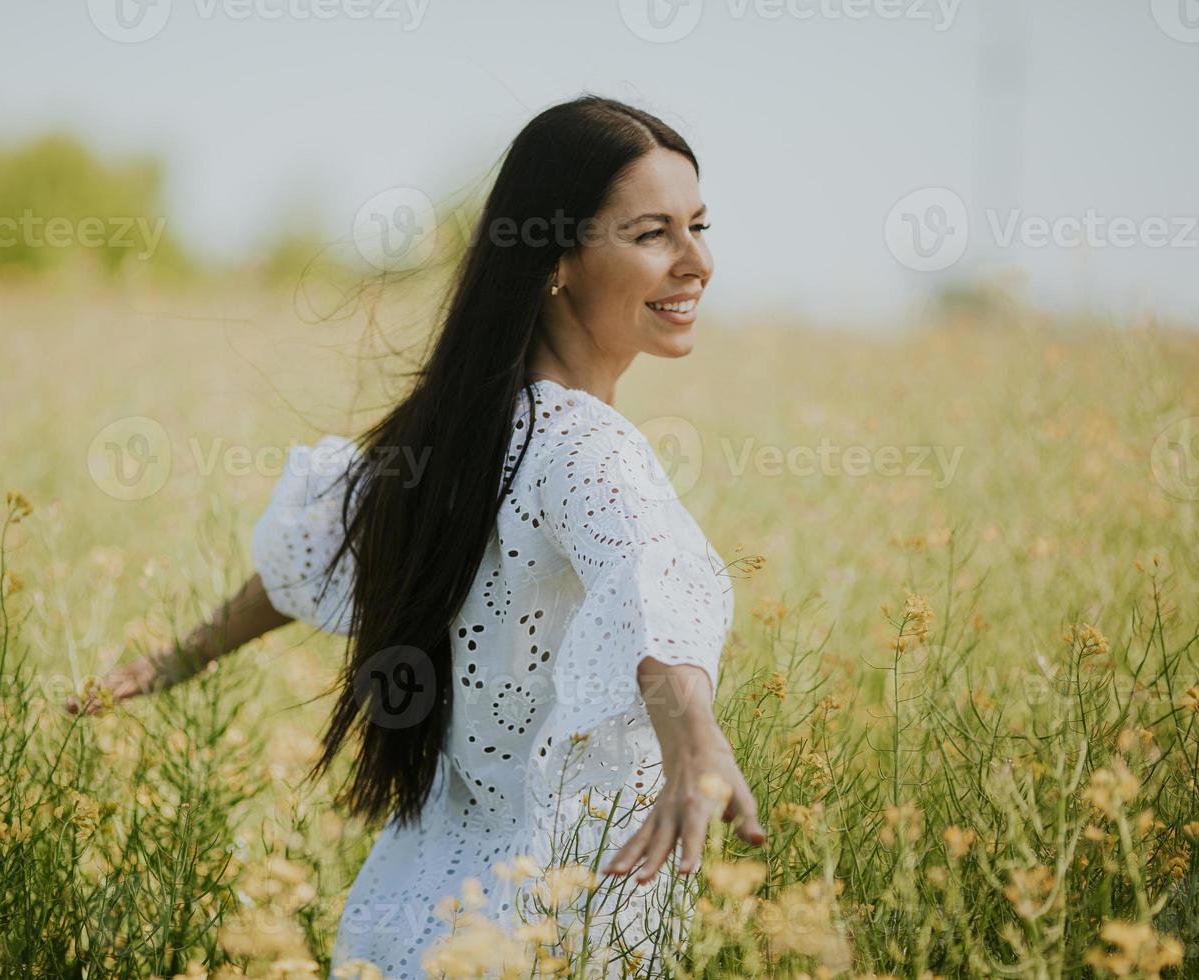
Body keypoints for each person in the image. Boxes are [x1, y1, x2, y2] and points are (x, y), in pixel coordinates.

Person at [66, 93, 765, 979]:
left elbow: (309, 560)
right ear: (556, 259)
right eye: (653, 233)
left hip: (421, 906)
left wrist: (179, 657)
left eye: (699, 225)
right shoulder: (591, 450)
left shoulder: (455, 434)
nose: (698, 261)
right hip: (555, 915)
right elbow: (651, 594)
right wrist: (694, 741)